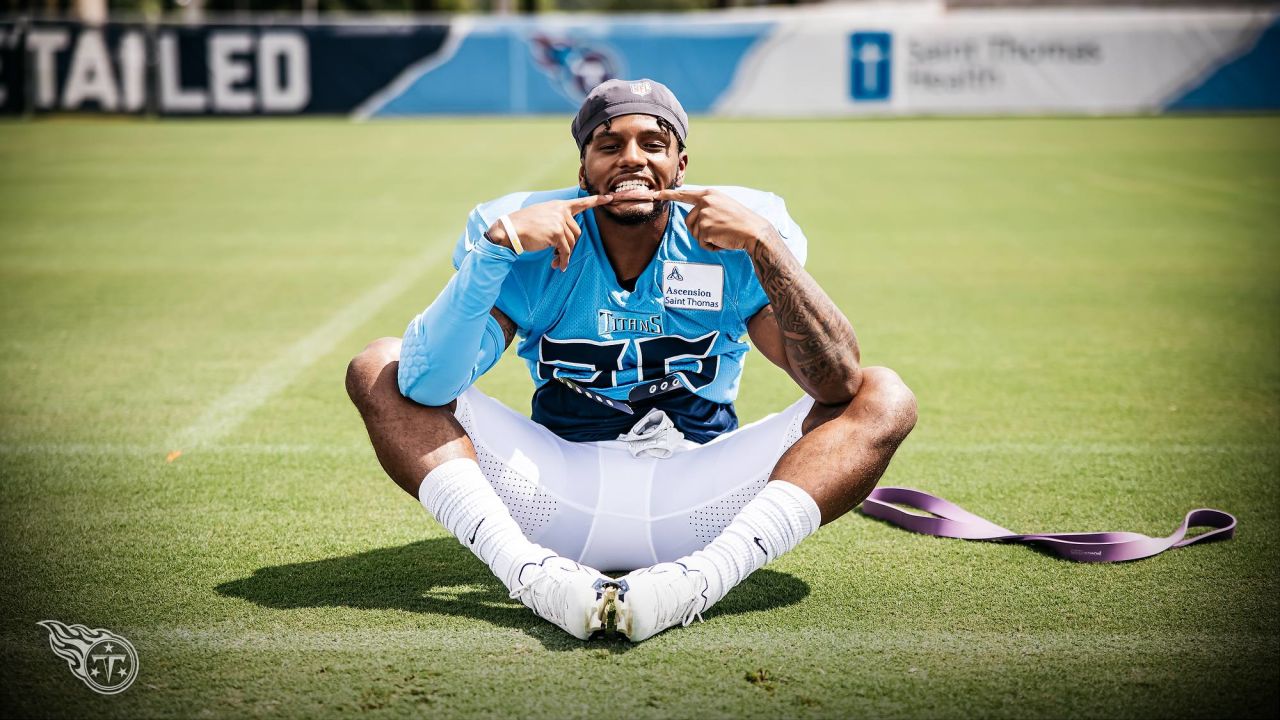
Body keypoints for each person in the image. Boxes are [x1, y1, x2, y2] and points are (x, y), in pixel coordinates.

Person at [345, 78, 917, 642]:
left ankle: (697, 583)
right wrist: (493, 251)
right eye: (609, 145)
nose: (631, 160)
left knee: (883, 394)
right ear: (582, 168)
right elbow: (426, 386)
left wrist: (767, 246)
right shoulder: (534, 239)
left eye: (653, 143)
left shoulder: (734, 237)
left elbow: (837, 383)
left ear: (681, 164)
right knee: (381, 365)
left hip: (700, 497)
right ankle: (530, 575)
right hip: (553, 494)